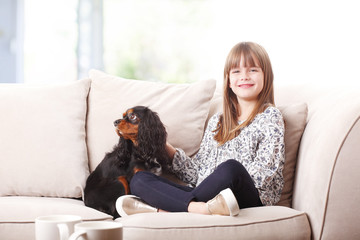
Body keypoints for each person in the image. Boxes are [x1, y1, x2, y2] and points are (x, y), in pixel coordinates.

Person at [116, 41, 285, 217]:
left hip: (245, 194)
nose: (244, 76)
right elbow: (196, 173)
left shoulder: (270, 117)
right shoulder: (217, 122)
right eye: (236, 71)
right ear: (228, 81)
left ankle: (166, 208)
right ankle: (201, 209)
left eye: (253, 70)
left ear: (266, 76)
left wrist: (215, 182)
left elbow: (264, 174)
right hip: (206, 195)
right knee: (140, 180)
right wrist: (162, 145)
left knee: (231, 169)